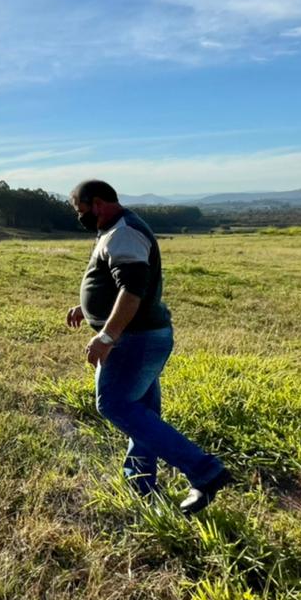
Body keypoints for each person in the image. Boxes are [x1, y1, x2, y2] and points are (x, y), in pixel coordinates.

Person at [65, 179, 232, 514]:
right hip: (141, 337)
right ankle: (140, 484)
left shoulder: (123, 231)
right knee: (141, 412)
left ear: (97, 203)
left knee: (114, 405)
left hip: (133, 340)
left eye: (81, 210)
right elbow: (119, 284)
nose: (80, 217)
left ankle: (205, 471)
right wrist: (88, 308)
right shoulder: (115, 230)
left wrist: (107, 336)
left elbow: (132, 291)